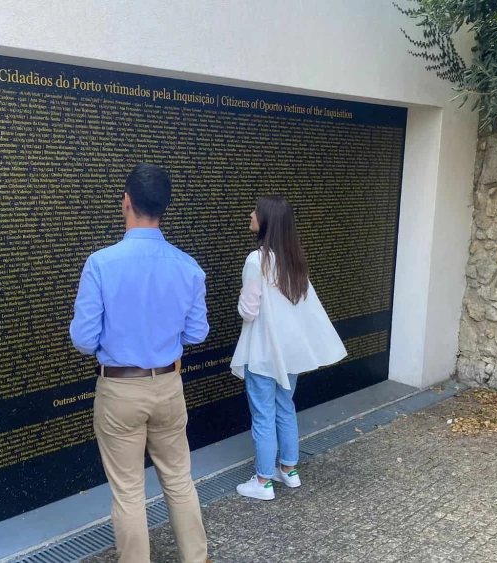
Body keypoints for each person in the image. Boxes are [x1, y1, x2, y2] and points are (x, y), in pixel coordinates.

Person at [70, 164, 210, 563]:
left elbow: (82, 338)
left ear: (127, 201)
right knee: (179, 480)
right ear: (163, 208)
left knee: (129, 491)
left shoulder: (101, 264)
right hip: (168, 385)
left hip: (119, 390)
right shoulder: (188, 266)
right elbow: (197, 333)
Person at [230, 195, 347, 501]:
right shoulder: (294, 261)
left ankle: (263, 481)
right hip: (290, 354)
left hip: (263, 354)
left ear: (266, 221)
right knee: (285, 407)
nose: (250, 214)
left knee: (263, 414)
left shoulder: (256, 261)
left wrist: (243, 294)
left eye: (255, 211)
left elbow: (248, 312)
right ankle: (289, 470)